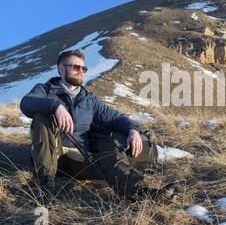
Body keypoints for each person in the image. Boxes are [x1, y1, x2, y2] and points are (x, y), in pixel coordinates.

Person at [20, 50, 158, 199]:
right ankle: (44, 186)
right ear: (61, 68)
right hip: (52, 153)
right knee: (42, 117)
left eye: (83, 68)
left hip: (80, 157)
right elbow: (26, 103)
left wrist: (133, 129)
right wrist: (55, 106)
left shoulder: (89, 100)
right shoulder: (45, 90)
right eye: (75, 67)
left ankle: (142, 193)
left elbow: (115, 118)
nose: (80, 71)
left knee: (109, 156)